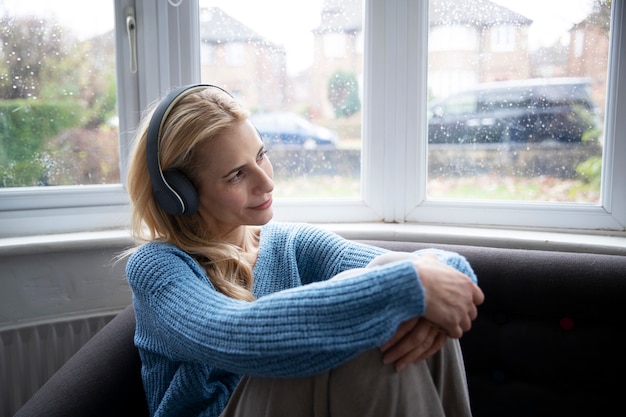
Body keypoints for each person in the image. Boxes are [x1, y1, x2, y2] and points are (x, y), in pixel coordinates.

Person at [124, 84, 485, 417]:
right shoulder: (157, 267)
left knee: (393, 276)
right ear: (179, 194)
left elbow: (416, 268)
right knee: (376, 324)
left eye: (261, 155)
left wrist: (447, 278)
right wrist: (410, 287)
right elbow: (235, 333)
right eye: (236, 174)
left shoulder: (292, 243)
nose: (267, 181)